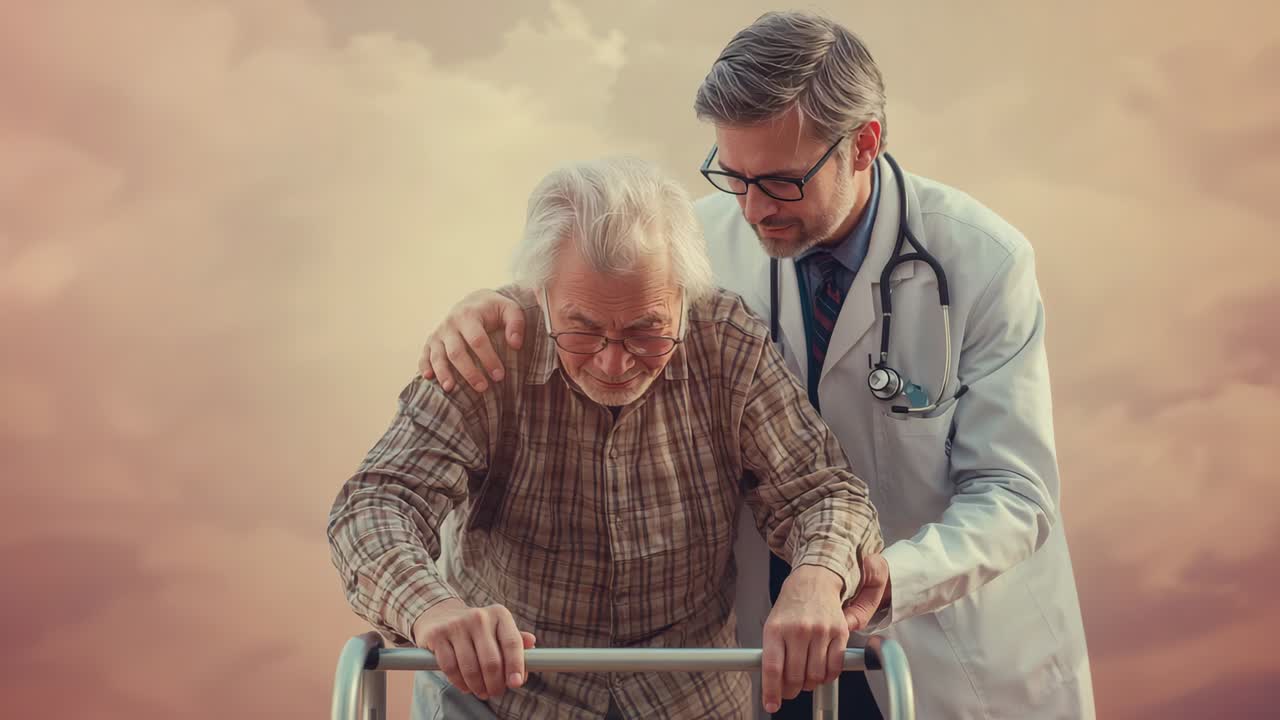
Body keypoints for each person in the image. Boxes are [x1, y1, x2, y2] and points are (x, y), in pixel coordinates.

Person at [414, 10, 1096, 720]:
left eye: (780, 182)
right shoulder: (698, 241)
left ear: (862, 145)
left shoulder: (982, 260)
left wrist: (866, 579)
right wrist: (494, 306)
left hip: (940, 639)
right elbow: (583, 294)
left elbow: (1014, 494)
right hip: (765, 648)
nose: (751, 207)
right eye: (731, 176)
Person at [328, 155, 888, 720]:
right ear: (540, 293)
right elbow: (376, 503)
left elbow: (824, 491)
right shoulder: (489, 347)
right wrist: (436, 611)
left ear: (684, 297)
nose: (614, 361)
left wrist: (817, 576)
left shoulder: (727, 340)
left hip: (688, 699)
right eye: (584, 328)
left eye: (646, 329)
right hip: (503, 699)